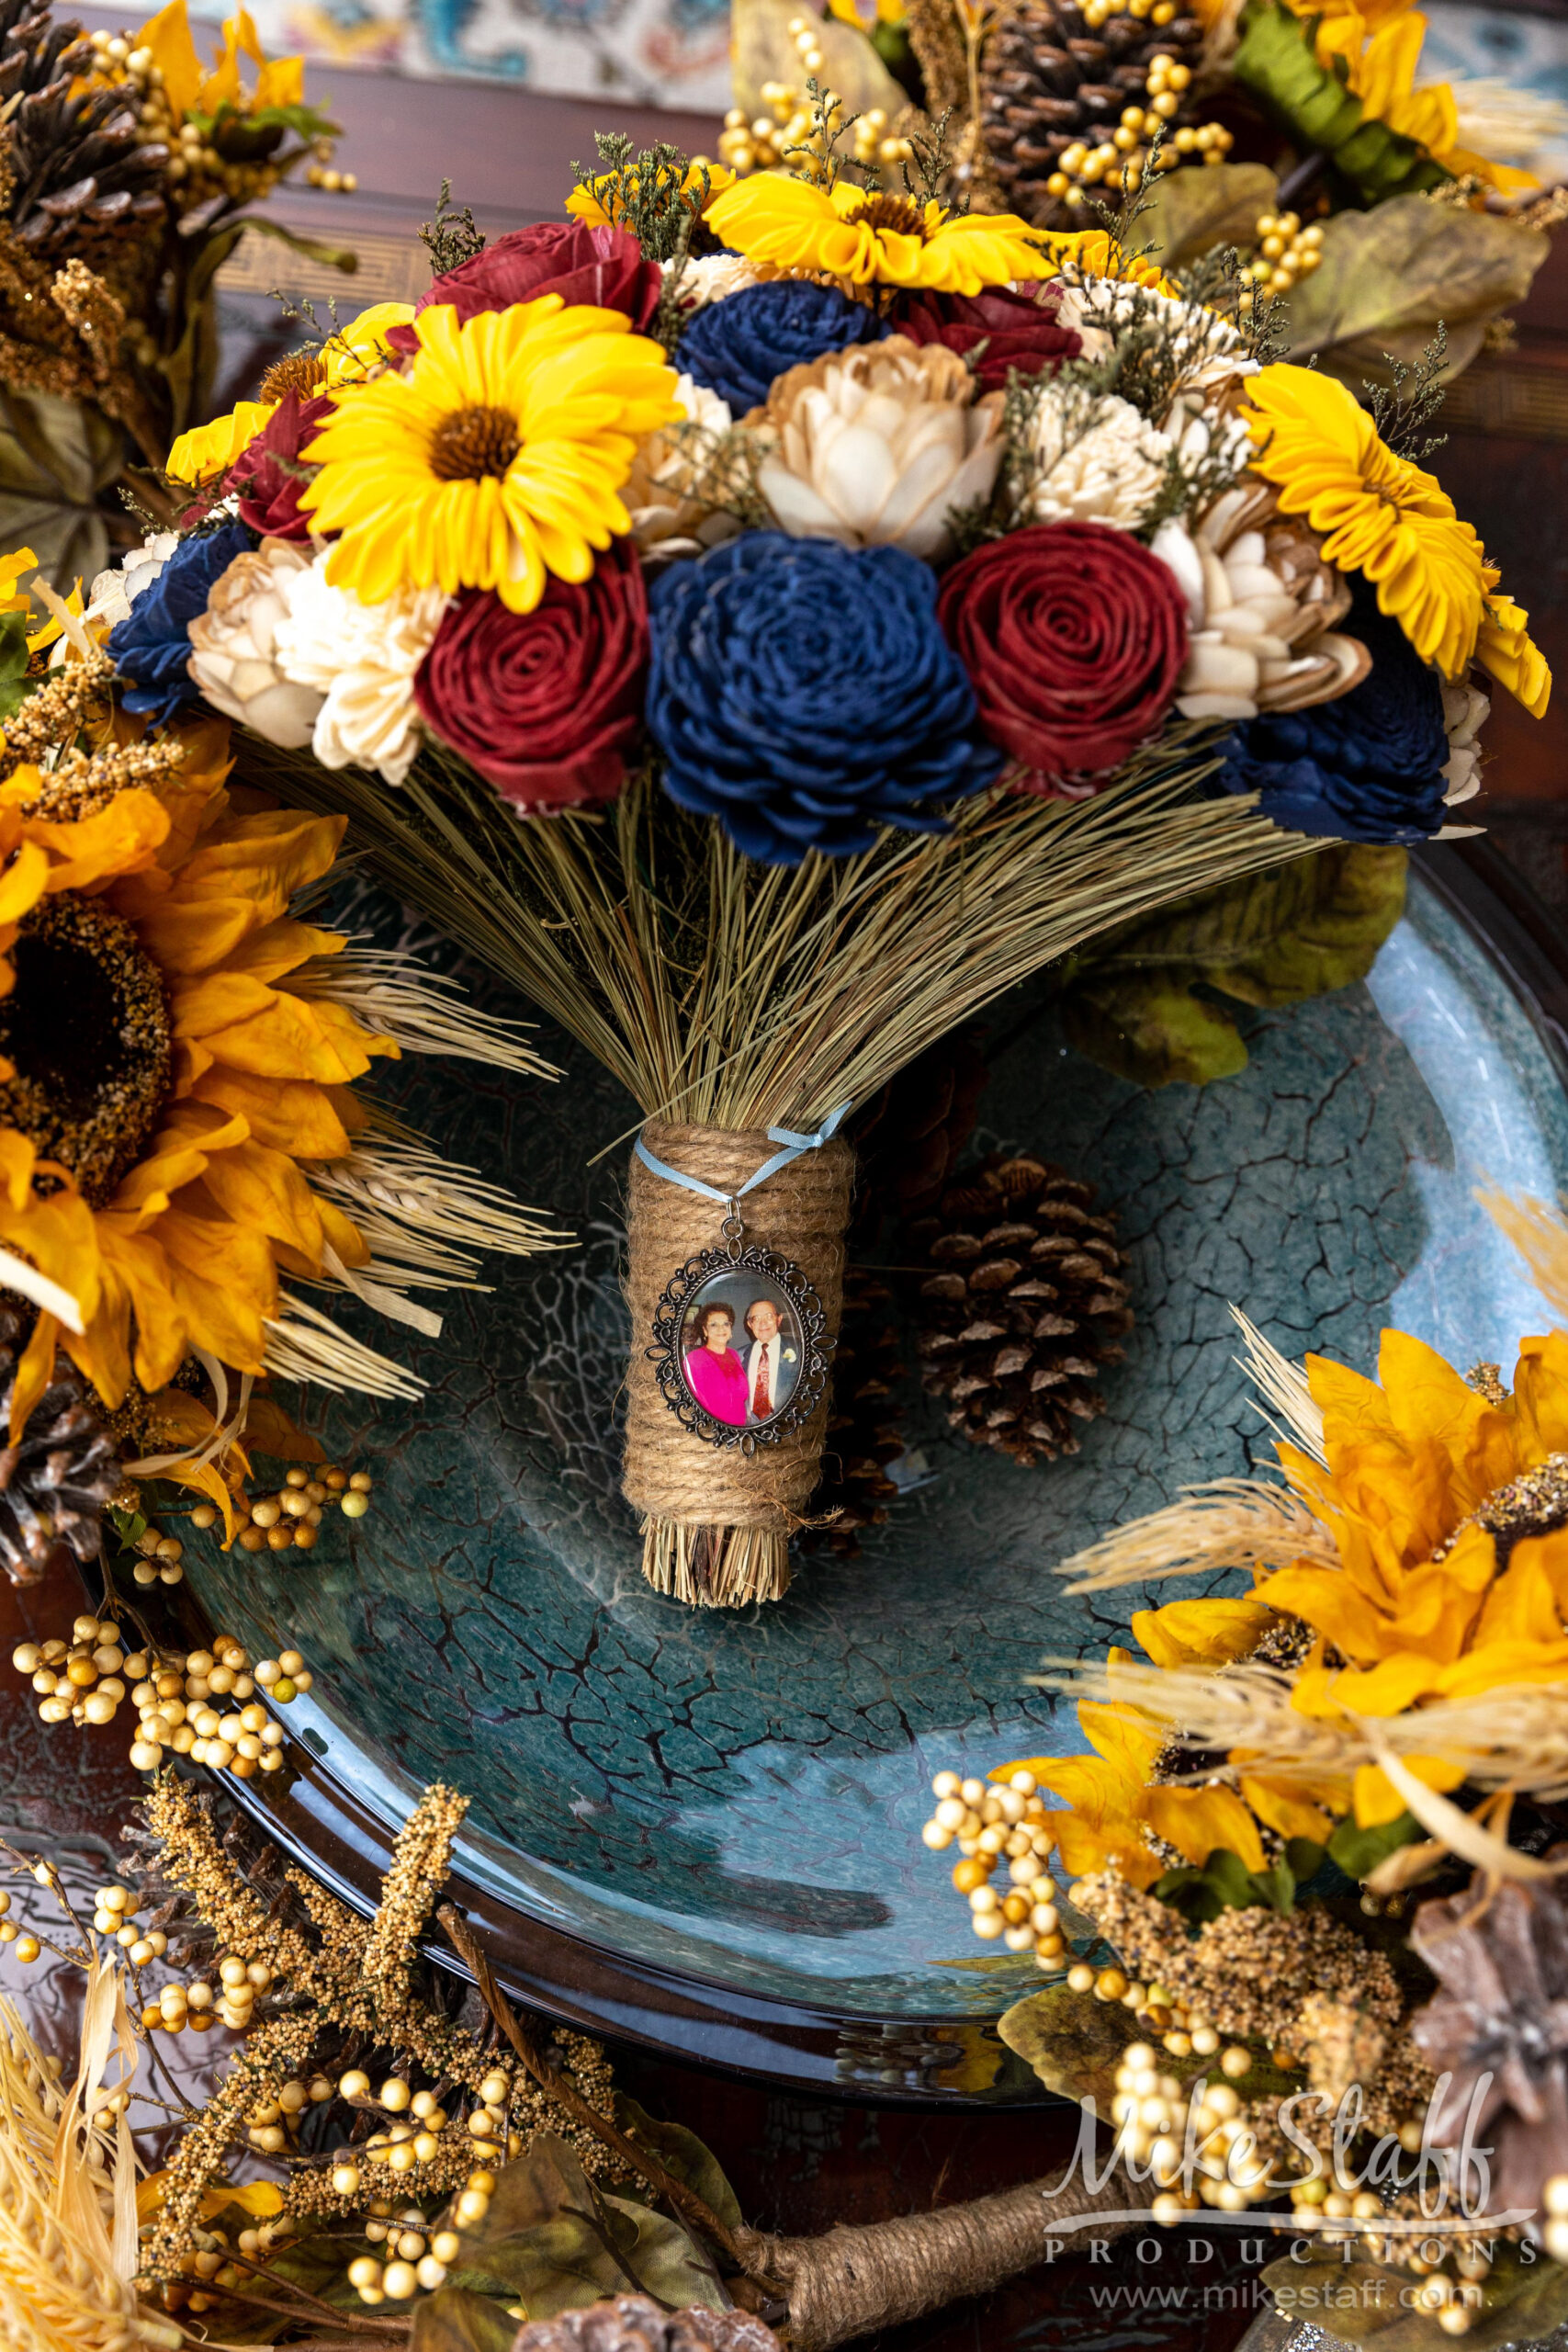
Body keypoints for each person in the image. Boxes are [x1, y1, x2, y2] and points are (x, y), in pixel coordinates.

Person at [682, 1301, 749, 1427]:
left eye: (726, 1324)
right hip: (713, 1431)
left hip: (741, 1427)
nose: (721, 1329)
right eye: (713, 1325)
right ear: (705, 1330)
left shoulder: (734, 1354)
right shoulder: (694, 1359)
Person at [742, 1295, 797, 1424]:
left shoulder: (800, 1350)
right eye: (756, 1318)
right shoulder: (738, 1355)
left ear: (779, 1319)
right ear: (750, 1324)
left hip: (787, 1427)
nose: (763, 1323)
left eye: (769, 1316)